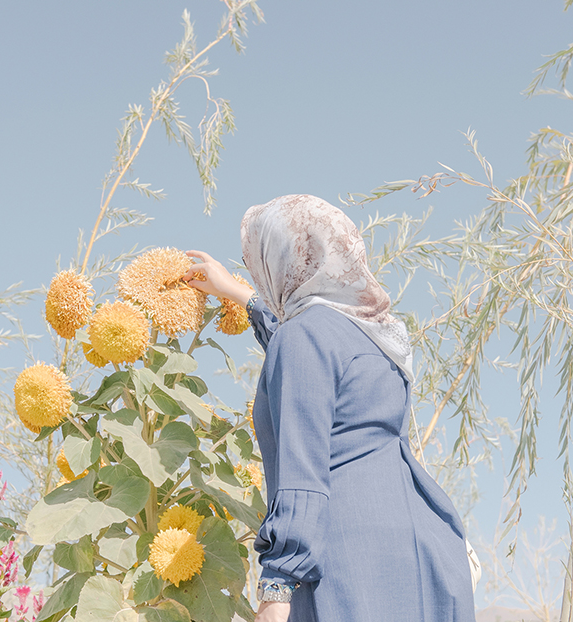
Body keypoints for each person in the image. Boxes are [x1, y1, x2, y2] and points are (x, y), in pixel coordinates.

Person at [183, 194, 476, 622]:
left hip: (351, 560)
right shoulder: (374, 339)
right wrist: (238, 294)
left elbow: (303, 478)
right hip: (430, 551)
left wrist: (276, 589)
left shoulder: (304, 337)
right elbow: (303, 354)